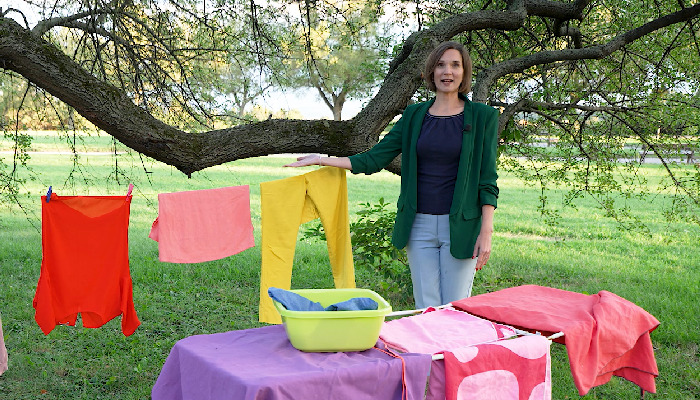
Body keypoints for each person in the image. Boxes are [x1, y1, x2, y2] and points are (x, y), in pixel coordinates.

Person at [285, 41, 499, 309]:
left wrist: (486, 230)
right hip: (418, 226)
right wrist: (321, 159)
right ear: (431, 72)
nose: (448, 71)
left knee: (454, 309)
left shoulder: (483, 117)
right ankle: (429, 352)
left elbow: (487, 179)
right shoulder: (414, 115)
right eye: (441, 64)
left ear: (465, 72)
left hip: (462, 226)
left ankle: (452, 353)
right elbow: (374, 158)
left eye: (455, 65)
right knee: (426, 308)